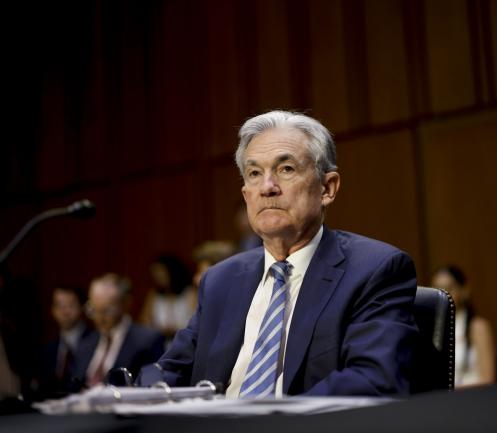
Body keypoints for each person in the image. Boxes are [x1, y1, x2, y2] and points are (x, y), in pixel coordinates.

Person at [139, 110, 419, 397]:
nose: (267, 187)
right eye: (255, 174)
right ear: (246, 194)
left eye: (286, 169)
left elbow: (373, 380)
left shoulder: (374, 270)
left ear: (327, 188)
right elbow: (171, 370)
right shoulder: (220, 280)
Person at [72, 273, 165, 389]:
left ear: (125, 304)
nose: (99, 318)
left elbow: (150, 388)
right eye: (93, 310)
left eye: (106, 311)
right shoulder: (85, 344)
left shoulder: (147, 341)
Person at [431, 265, 496, 387]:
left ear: (464, 290)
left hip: (473, 397)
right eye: (437, 290)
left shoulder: (477, 327)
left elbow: (488, 379)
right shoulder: (432, 329)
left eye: (449, 288)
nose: (443, 295)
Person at [37, 286, 91, 398]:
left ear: (82, 307)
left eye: (71, 305)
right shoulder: (48, 349)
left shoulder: (95, 341)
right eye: (59, 305)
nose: (65, 311)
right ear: (52, 310)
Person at [139, 255, 196, 341]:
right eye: (155, 274)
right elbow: (144, 324)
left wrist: (175, 331)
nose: (158, 277)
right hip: (159, 346)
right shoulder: (153, 295)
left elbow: (196, 326)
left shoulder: (191, 293)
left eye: (162, 272)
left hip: (186, 345)